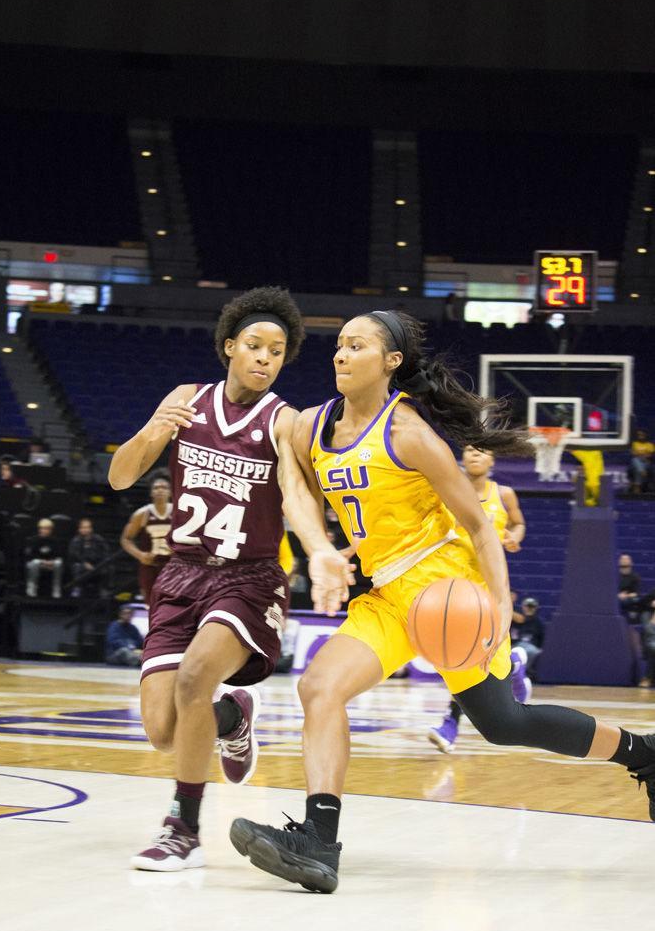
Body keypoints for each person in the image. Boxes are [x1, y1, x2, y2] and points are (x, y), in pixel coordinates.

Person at [230, 309, 655, 894]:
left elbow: (482, 528)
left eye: (357, 346)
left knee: (504, 724)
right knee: (318, 687)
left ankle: (644, 753)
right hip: (385, 595)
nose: (341, 354)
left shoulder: (408, 435)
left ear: (392, 362)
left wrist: (501, 609)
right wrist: (319, 550)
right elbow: (293, 486)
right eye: (340, 345)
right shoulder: (309, 425)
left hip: (445, 591)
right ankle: (319, 843)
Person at [108, 286, 353, 873]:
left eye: (277, 350)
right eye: (255, 345)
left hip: (248, 579)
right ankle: (232, 717)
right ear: (229, 347)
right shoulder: (187, 400)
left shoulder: (283, 420)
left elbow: (296, 497)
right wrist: (152, 432)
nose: (265, 357)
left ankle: (182, 829)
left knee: (195, 677)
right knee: (163, 731)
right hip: (180, 576)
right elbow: (120, 479)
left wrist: (318, 549)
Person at [429, 444, 527, 753]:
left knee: (468, 657)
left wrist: (514, 537)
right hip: (453, 580)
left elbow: (518, 522)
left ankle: (450, 723)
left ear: (492, 459)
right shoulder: (449, 485)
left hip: (488, 584)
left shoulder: (505, 493)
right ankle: (513, 664)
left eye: (482, 451)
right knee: (461, 655)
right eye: (470, 450)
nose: (475, 455)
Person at [120, 475, 173, 604]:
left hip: (173, 566)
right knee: (151, 605)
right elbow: (125, 539)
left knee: (174, 605)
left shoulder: (179, 511)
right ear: (151, 492)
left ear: (170, 492)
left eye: (164, 487)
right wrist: (140, 555)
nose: (160, 490)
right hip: (150, 565)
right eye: (156, 488)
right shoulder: (142, 514)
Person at [68, 517, 110, 597]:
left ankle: (103, 588)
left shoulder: (98, 539)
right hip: (81, 564)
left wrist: (99, 564)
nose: (85, 529)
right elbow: (74, 555)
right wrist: (84, 563)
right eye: (83, 527)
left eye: (87, 527)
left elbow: (105, 552)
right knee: (76, 566)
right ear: (79, 529)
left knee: (108, 567)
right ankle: (77, 587)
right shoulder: (75, 540)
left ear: (91, 528)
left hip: (97, 564)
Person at [25, 518, 64, 598]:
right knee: (34, 563)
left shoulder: (55, 541)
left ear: (51, 530)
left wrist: (51, 561)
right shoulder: (34, 540)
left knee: (59, 563)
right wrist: (42, 561)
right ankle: (31, 589)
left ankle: (56, 590)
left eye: (46, 528)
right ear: (39, 529)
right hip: (38, 563)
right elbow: (30, 556)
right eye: (42, 528)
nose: (44, 530)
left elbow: (59, 555)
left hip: (50, 564)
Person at [511, 596, 545, 675]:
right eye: (528, 606)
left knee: (532, 651)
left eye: (532, 607)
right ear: (523, 607)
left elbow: (541, 639)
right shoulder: (517, 619)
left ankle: (522, 673)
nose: (529, 608)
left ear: (535, 608)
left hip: (531, 646)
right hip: (516, 645)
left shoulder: (538, 622)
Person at [618, 553, 641, 623]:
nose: (624, 560)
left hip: (629, 599)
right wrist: (618, 595)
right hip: (615, 598)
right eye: (623, 559)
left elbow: (636, 593)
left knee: (635, 600)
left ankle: (632, 620)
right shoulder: (613, 575)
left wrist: (625, 596)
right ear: (619, 561)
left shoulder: (635, 576)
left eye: (626, 559)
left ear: (631, 562)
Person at [629, 429, 654, 494]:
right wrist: (643, 455)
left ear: (645, 435)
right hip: (636, 461)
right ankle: (642, 471)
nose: (640, 436)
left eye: (642, 435)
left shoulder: (649, 444)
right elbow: (633, 453)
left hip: (646, 462)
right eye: (639, 435)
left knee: (637, 466)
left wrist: (640, 455)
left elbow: (650, 455)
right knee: (635, 460)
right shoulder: (634, 444)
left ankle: (637, 486)